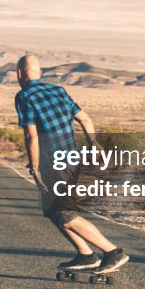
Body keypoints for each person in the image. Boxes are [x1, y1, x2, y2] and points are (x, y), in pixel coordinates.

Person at [14, 54, 129, 273]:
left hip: (56, 165)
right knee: (53, 211)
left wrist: (34, 167)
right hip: (71, 160)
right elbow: (85, 119)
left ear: (19, 74)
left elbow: (31, 136)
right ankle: (86, 255)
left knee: (64, 214)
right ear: (40, 73)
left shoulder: (24, 97)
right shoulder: (59, 91)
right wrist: (93, 143)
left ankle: (113, 252)